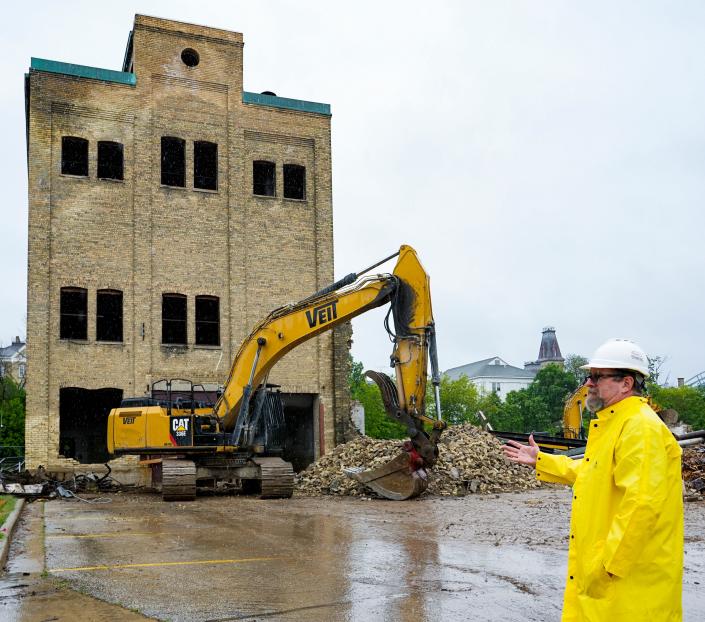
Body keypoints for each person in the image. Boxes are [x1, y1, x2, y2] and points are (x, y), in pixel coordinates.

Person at [503, 338, 683, 621]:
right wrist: (541, 460)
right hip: (609, 578)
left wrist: (607, 566)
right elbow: (593, 474)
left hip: (628, 583)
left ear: (626, 383)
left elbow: (642, 504)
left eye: (598, 376)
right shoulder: (616, 423)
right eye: (589, 376)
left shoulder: (640, 428)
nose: (588, 383)